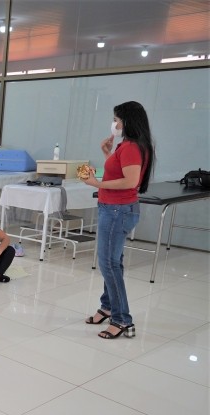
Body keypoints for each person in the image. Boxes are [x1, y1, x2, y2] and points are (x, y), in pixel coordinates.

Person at [81, 101, 155, 339]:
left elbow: (130, 181)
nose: (115, 124)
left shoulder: (133, 147)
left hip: (117, 210)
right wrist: (107, 153)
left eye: (117, 119)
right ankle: (108, 306)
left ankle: (122, 320)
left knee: (109, 264)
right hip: (115, 208)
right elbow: (121, 172)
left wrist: (96, 183)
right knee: (114, 262)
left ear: (127, 121)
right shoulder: (129, 146)